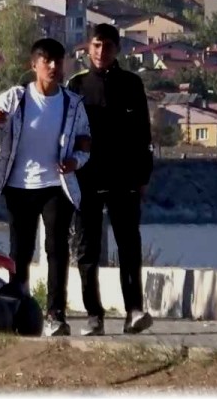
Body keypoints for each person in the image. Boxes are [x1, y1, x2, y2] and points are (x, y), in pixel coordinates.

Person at [0, 38, 91, 337]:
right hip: (18, 186)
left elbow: (85, 142)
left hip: (56, 185)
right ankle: (18, 308)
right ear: (34, 65)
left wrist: (75, 161)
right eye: (47, 60)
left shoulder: (72, 103)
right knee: (20, 251)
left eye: (58, 61)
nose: (53, 67)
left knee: (57, 248)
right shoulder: (16, 99)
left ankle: (55, 313)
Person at [68, 24, 154, 336]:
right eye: (96, 46)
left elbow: (144, 134)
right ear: (88, 48)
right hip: (87, 179)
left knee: (129, 247)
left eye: (108, 46)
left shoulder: (132, 84)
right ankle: (94, 315)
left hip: (125, 179)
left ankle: (134, 310)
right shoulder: (76, 86)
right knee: (87, 251)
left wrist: (144, 176)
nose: (102, 52)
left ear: (118, 49)